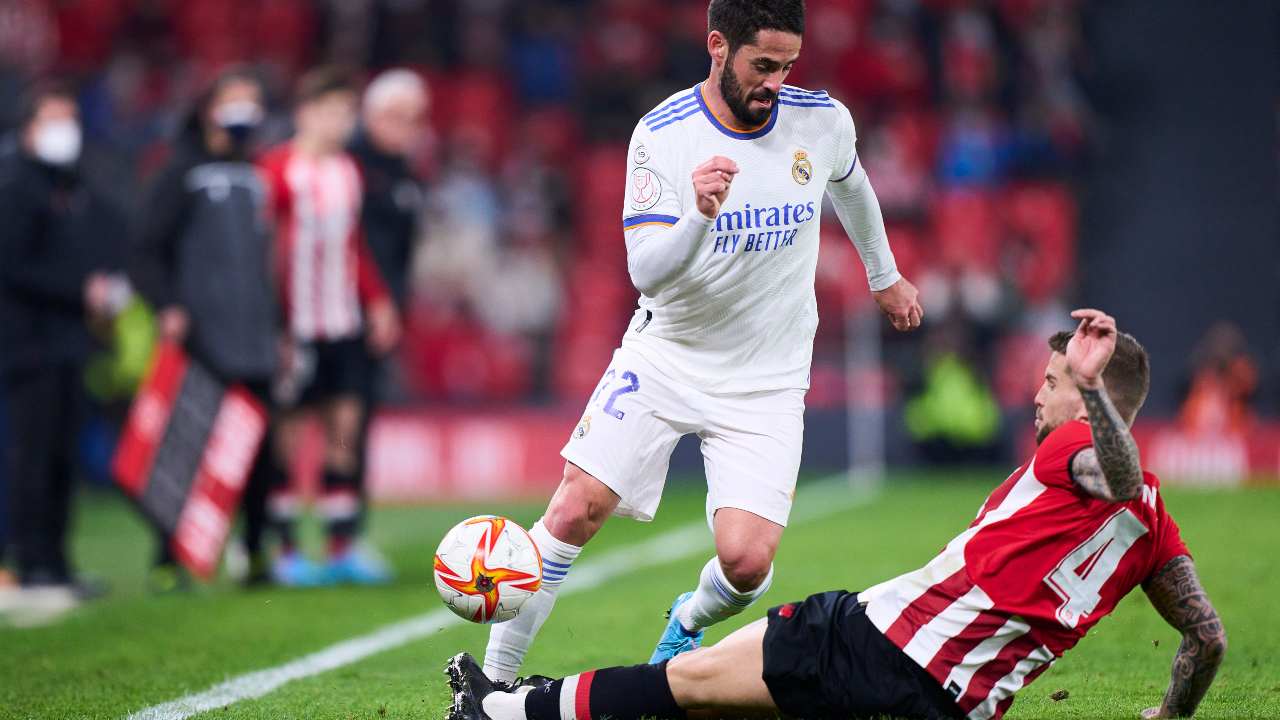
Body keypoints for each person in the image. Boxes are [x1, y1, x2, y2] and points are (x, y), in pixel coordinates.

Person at [448, 309, 1227, 720]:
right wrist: (1170, 712)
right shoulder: (1158, 529)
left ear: (1096, 397)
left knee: (687, 684)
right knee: (718, 699)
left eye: (1055, 380)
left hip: (878, 641)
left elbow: (1113, 474)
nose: (1039, 393)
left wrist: (1086, 396)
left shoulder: (1073, 450)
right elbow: (1208, 636)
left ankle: (507, 707)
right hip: (957, 705)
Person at [482, 0, 923, 685]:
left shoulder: (822, 120)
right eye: (762, 65)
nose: (775, 81)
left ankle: (685, 622)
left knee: (747, 565)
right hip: (668, 357)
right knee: (575, 506)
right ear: (718, 47)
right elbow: (645, 270)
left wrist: (885, 277)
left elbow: (854, 186)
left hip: (767, 380)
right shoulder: (663, 134)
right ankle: (493, 685)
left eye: (787, 65)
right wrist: (698, 215)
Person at [128, 67, 281, 590]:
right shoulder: (180, 172)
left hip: (256, 332)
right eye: (234, 100)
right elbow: (146, 252)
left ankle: (255, 550)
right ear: (207, 109)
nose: (245, 111)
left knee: (260, 447)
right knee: (187, 446)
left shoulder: (259, 175)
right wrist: (168, 305)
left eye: (252, 101)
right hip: (202, 332)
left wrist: (278, 323)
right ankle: (166, 557)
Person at [258, 66, 401, 586]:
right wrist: (269, 323)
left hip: (342, 323)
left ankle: (342, 547)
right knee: (289, 437)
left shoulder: (347, 172)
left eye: (346, 112)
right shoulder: (275, 171)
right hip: (293, 326)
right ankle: (287, 550)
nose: (340, 122)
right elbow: (263, 251)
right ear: (305, 113)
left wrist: (378, 301)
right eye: (331, 111)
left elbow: (352, 247)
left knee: (345, 430)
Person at [0, 82, 129, 616]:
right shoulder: (15, 187)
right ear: (28, 126)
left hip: (72, 343)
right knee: (30, 456)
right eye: (54, 117)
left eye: (70, 116)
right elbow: (12, 265)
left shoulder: (74, 187)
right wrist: (81, 290)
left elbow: (109, 235)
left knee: (61, 457)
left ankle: (56, 559)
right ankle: (29, 560)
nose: (64, 128)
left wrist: (106, 286)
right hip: (27, 345)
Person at [347, 68, 428, 547]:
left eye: (412, 120)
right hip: (333, 313)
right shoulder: (349, 168)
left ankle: (346, 534)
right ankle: (271, 537)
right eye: (395, 118)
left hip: (377, 319)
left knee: (355, 422)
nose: (405, 129)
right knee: (299, 423)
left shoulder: (405, 178)